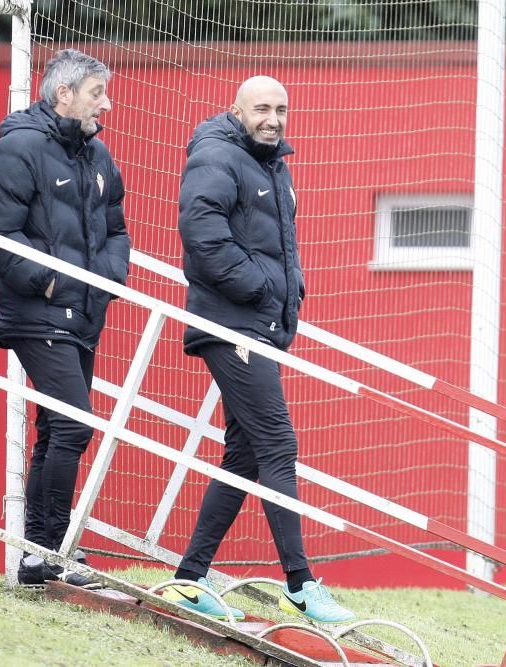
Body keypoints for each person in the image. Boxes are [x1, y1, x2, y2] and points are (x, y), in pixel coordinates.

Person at [163, 76, 355, 623]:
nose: (273, 118)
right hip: (232, 324)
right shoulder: (216, 155)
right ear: (236, 111)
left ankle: (188, 578)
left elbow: (281, 240)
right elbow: (202, 233)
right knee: (278, 444)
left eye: (281, 109)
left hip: (259, 324)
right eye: (262, 109)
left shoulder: (272, 161)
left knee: (246, 454)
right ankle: (300, 582)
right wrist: (261, 290)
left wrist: (289, 292)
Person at [0, 49, 130, 586]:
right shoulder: (19, 147)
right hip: (38, 313)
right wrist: (50, 281)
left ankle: (38, 555)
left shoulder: (97, 154)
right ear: (63, 95)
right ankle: (54, 549)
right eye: (96, 94)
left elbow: (116, 229)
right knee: (73, 423)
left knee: (56, 429)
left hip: (83, 315)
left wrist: (103, 283)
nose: (105, 104)